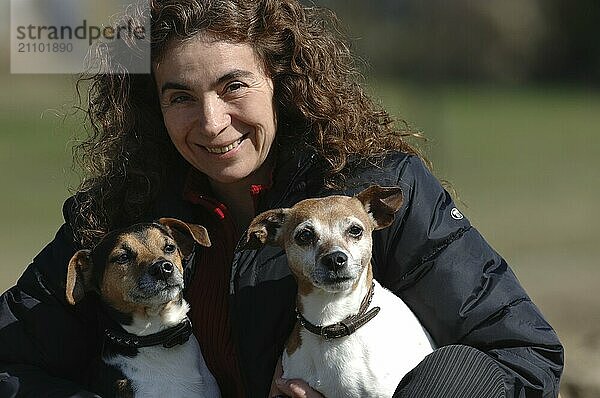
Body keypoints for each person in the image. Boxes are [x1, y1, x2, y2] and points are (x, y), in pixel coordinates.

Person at [0, 0, 563, 397]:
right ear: (153, 107)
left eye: (233, 86)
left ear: (281, 78)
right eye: (180, 96)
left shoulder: (380, 192)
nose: (212, 122)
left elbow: (520, 354)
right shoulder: (117, 219)